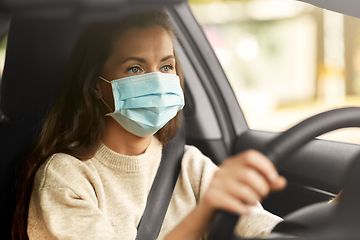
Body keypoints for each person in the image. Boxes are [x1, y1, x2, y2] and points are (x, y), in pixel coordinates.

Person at [12, 10, 286, 240]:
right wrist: (202, 217)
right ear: (97, 86)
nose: (157, 81)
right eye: (135, 69)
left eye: (166, 67)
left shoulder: (189, 165)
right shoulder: (65, 177)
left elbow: (260, 227)